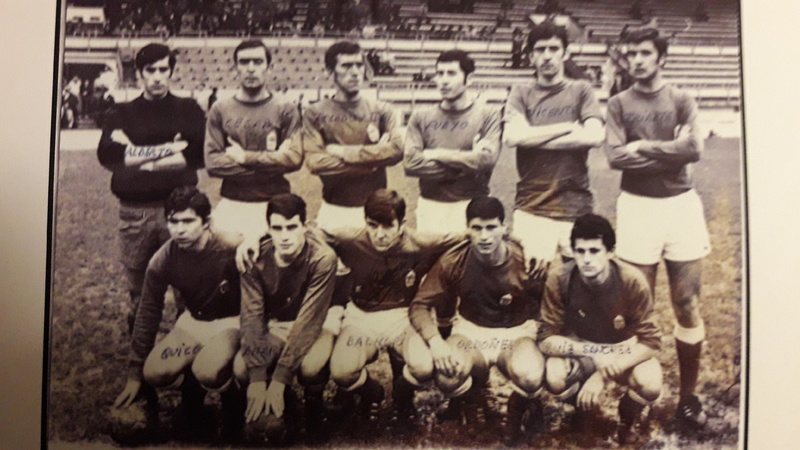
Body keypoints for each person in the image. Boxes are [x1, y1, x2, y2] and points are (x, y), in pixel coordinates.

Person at [603, 27, 710, 428]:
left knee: (687, 303)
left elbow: (694, 149)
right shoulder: (618, 103)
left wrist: (644, 146)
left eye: (645, 53)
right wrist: (672, 153)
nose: (636, 60)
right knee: (638, 306)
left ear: (661, 58)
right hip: (637, 207)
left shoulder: (682, 99)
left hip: (681, 206)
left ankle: (688, 398)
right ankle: (638, 393)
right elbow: (615, 158)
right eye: (631, 54)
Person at [321, 189, 464, 428]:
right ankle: (372, 392)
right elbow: (311, 233)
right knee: (342, 372)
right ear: (365, 222)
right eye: (372, 225)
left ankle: (402, 393)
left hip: (402, 317)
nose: (379, 234)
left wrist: (513, 240)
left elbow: (464, 238)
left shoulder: (420, 243)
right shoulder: (351, 239)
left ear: (402, 225)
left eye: (388, 226)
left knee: (423, 366)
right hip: (361, 317)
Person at [112, 187, 245, 443]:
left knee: (208, 369)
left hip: (232, 322)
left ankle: (234, 405)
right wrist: (134, 374)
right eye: (173, 222)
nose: (180, 230)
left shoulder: (230, 248)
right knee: (155, 372)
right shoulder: (163, 259)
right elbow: (148, 313)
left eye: (188, 221)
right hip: (195, 322)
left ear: (207, 222)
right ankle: (195, 395)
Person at [409, 196, 545, 446]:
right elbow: (419, 305)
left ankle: (520, 407)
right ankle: (472, 397)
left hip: (515, 333)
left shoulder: (526, 260)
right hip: (471, 332)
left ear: (504, 228)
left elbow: (551, 303)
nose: (484, 236)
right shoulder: (454, 259)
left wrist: (541, 341)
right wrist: (436, 342)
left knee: (530, 375)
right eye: (477, 228)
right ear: (467, 229)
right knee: (447, 376)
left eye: (491, 227)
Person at [97, 42, 206, 333]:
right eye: (150, 70)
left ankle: (186, 346)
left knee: (188, 287)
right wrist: (170, 148)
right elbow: (109, 156)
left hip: (181, 213)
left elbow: (196, 155)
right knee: (140, 289)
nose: (157, 77)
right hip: (136, 213)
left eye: (163, 70)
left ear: (171, 72)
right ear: (139, 73)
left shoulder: (189, 109)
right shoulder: (120, 112)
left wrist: (138, 157)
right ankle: (141, 346)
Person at [538, 214, 662, 444]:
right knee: (555, 376)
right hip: (581, 347)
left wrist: (602, 375)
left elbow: (651, 343)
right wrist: (591, 353)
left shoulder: (631, 280)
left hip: (622, 349)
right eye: (580, 251)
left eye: (594, 251)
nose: (586, 259)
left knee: (651, 383)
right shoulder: (560, 278)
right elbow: (545, 338)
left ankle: (627, 419)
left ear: (610, 252)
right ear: (573, 251)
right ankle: (582, 409)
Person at [234, 193, 338, 444]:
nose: (284, 236)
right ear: (268, 229)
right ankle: (283, 409)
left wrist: (280, 379)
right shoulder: (254, 256)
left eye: (291, 227)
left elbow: (309, 321)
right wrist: (258, 378)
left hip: (318, 320)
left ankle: (314, 412)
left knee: (310, 366)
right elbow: (251, 316)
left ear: (305, 226)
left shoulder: (323, 258)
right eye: (277, 228)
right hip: (278, 323)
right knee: (242, 368)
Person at [503, 23, 604, 278]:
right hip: (532, 206)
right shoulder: (521, 92)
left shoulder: (581, 90)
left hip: (576, 205)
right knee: (532, 285)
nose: (547, 56)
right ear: (530, 56)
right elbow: (513, 137)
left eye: (554, 49)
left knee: (582, 283)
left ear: (565, 53)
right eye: (540, 50)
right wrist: (568, 127)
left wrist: (533, 137)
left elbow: (594, 136)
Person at [204, 39, 303, 240]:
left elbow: (294, 159)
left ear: (269, 67)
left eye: (258, 62)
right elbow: (213, 164)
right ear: (235, 68)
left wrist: (245, 158)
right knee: (229, 258)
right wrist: (273, 162)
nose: (251, 68)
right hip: (233, 203)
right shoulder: (220, 109)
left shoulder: (286, 109)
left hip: (276, 205)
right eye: (244, 62)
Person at [301, 41, 403, 230]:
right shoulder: (315, 113)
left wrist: (345, 153)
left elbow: (397, 150)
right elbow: (316, 163)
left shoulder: (382, 110)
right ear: (330, 72)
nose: (355, 72)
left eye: (359, 65)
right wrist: (374, 160)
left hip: (377, 212)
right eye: (347, 66)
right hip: (335, 210)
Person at [404, 50, 502, 233]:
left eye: (451, 73)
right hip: (431, 207)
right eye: (440, 73)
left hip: (474, 207)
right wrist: (469, 162)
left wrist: (437, 154)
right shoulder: (420, 117)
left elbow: (486, 161)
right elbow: (411, 164)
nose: (444, 80)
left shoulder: (488, 115)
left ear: (469, 79)